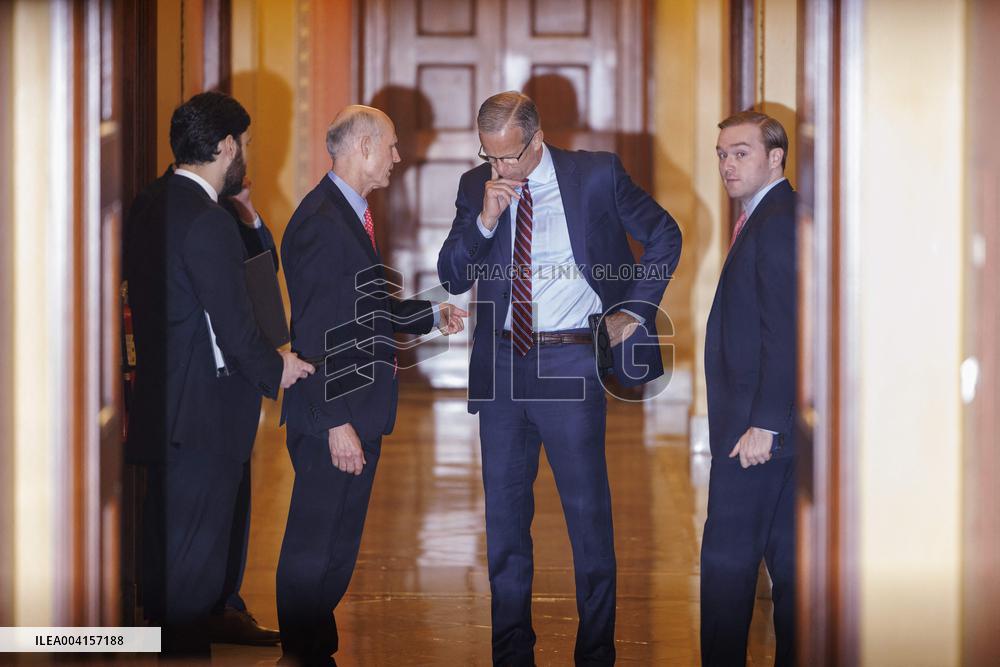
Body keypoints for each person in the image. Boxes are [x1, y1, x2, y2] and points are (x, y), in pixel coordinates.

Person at [437, 91, 682, 666]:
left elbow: (664, 234)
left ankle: (596, 652)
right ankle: (511, 653)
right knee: (503, 526)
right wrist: (486, 220)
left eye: (509, 157)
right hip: (500, 369)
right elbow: (451, 274)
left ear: (536, 138)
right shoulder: (477, 189)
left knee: (587, 518)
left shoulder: (595, 175)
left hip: (569, 363)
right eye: (488, 156)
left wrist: (637, 311)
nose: (499, 169)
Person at [123, 90, 314, 655]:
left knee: (165, 556)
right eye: (247, 145)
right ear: (227, 146)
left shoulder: (150, 203)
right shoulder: (206, 221)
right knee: (193, 571)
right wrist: (276, 369)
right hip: (204, 414)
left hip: (161, 403)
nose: (248, 155)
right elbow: (232, 326)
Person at [276, 104, 467, 666]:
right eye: (391, 145)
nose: (398, 157)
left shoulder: (346, 213)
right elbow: (314, 331)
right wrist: (337, 423)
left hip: (358, 407)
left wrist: (429, 315)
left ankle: (315, 646)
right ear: (362, 147)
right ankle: (300, 651)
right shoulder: (321, 224)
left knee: (338, 542)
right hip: (332, 413)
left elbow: (362, 307)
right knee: (316, 540)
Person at [701, 110, 797, 666]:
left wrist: (765, 423)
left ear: (775, 157)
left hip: (755, 435)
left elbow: (783, 329)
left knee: (726, 567)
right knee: (787, 568)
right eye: (721, 153)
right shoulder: (768, 215)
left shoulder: (779, 219)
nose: (727, 164)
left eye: (740, 153)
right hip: (769, 429)